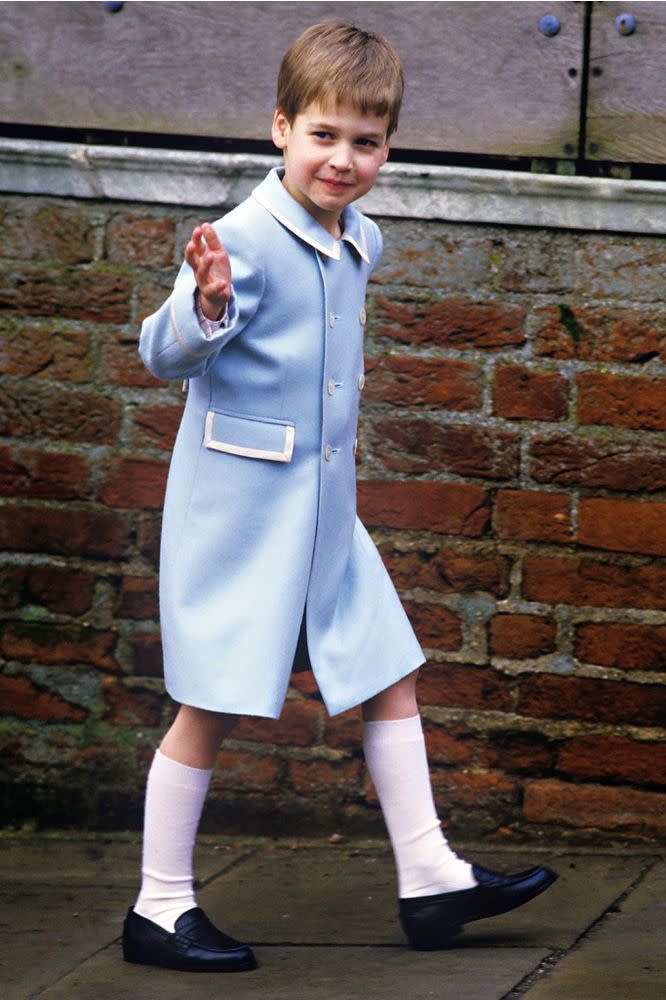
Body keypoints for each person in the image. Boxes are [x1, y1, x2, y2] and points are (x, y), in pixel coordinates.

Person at [122, 21, 557, 973]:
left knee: (386, 668)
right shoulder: (238, 239)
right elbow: (161, 354)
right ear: (280, 129)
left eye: (366, 141)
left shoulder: (360, 237)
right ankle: (158, 909)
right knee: (211, 705)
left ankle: (432, 878)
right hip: (240, 518)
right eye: (323, 135)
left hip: (324, 513)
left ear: (388, 150)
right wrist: (206, 307)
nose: (343, 159)